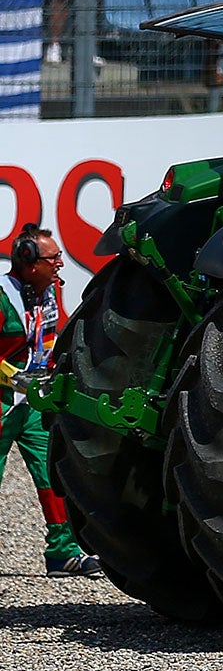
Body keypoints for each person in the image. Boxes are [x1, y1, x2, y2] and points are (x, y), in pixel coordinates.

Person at [1, 225, 102, 578]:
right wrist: (14, 378)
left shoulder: (47, 293)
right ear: (29, 262)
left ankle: (63, 552)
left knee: (52, 477)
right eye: (53, 257)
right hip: (3, 400)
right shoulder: (2, 297)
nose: (61, 263)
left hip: (31, 404)